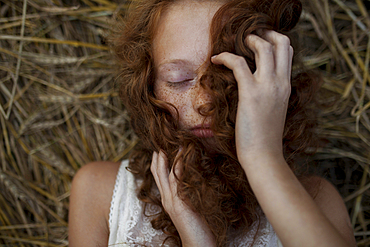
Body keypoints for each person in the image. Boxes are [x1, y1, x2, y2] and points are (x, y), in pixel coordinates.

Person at [68, 0, 357, 246]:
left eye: (228, 75)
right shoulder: (100, 193)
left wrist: (262, 156)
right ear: (148, 86)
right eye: (178, 80)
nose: (205, 101)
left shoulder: (317, 202)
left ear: (271, 80)